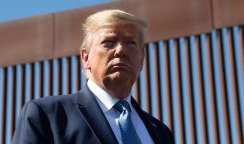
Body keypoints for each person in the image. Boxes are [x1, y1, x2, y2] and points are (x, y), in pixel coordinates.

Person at [12, 9, 174, 144]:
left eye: (130, 43)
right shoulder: (48, 115)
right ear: (86, 58)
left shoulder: (161, 132)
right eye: (109, 42)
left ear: (142, 60)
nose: (120, 51)